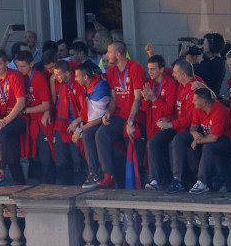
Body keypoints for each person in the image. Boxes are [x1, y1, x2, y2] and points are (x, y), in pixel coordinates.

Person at [95, 41, 145, 188]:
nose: (107, 55)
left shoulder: (135, 68)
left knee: (131, 140)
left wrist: (130, 123)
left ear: (117, 54)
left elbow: (138, 98)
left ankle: (138, 180)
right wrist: (108, 113)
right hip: (119, 116)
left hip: (135, 117)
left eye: (109, 52)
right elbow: (114, 98)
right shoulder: (111, 72)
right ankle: (108, 175)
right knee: (101, 134)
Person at [0, 49, 27, 187]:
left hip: (18, 118)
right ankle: (20, 183)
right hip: (1, 120)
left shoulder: (15, 76)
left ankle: (0, 171)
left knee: (1, 131)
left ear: (7, 63)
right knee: (11, 150)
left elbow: (21, 103)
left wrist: (4, 122)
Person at [164, 59, 205, 194]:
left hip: (195, 128)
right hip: (181, 127)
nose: (173, 75)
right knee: (157, 140)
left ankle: (178, 179)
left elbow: (192, 119)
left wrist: (171, 124)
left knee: (179, 140)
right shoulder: (181, 86)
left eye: (175, 73)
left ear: (184, 75)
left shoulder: (195, 88)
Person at [188, 87, 231, 194]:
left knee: (208, 146)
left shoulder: (219, 111)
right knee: (190, 145)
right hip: (211, 138)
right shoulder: (198, 109)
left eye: (195, 100)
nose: (193, 102)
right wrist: (194, 134)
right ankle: (200, 180)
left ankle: (202, 182)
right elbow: (193, 127)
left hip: (228, 140)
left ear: (204, 103)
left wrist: (198, 141)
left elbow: (214, 138)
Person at [139, 55, 178, 191]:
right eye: (149, 69)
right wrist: (146, 98)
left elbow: (168, 109)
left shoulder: (170, 84)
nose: (150, 72)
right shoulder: (148, 83)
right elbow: (143, 108)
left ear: (162, 69)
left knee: (154, 144)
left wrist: (153, 98)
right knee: (160, 152)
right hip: (152, 123)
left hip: (168, 125)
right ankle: (165, 179)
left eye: (153, 69)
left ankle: (154, 180)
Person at [12, 51, 51, 181]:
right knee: (28, 152)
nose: (19, 69)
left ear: (32, 64)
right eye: (18, 66)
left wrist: (25, 111)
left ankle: (47, 183)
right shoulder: (19, 77)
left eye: (23, 66)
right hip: (28, 121)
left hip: (40, 121)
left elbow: (46, 105)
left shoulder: (39, 79)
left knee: (43, 153)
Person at [72, 64, 111, 188]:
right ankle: (94, 172)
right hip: (97, 119)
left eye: (77, 77)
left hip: (108, 119)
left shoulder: (98, 89)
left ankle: (95, 173)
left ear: (86, 77)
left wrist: (80, 129)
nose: (75, 79)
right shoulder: (89, 85)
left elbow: (98, 118)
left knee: (88, 134)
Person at [50, 60, 85, 185]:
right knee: (60, 159)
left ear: (68, 73)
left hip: (76, 124)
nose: (56, 77)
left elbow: (86, 109)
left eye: (58, 74)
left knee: (77, 160)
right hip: (61, 124)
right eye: (55, 74)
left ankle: (79, 187)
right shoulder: (60, 84)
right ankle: (65, 187)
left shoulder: (77, 85)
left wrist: (76, 122)